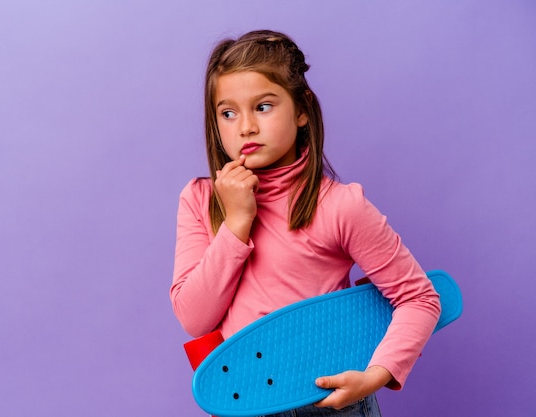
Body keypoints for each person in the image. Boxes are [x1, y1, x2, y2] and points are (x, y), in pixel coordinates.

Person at [170, 29, 441, 417]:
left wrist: (376, 375)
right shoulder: (199, 201)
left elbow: (419, 298)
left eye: (263, 106)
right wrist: (237, 221)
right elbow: (195, 318)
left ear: (301, 109)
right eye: (228, 113)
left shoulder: (339, 206)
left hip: (328, 404)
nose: (245, 126)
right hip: (240, 402)